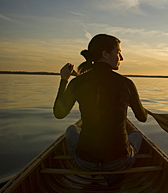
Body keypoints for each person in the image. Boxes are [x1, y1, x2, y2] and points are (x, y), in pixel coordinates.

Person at [53, 34, 148, 181]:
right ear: (105, 54)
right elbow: (142, 118)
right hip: (118, 162)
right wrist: (136, 103)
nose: (121, 58)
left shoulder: (77, 83)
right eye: (118, 52)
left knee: (71, 130)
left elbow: (59, 114)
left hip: (85, 163)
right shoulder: (126, 84)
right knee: (136, 134)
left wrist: (64, 80)